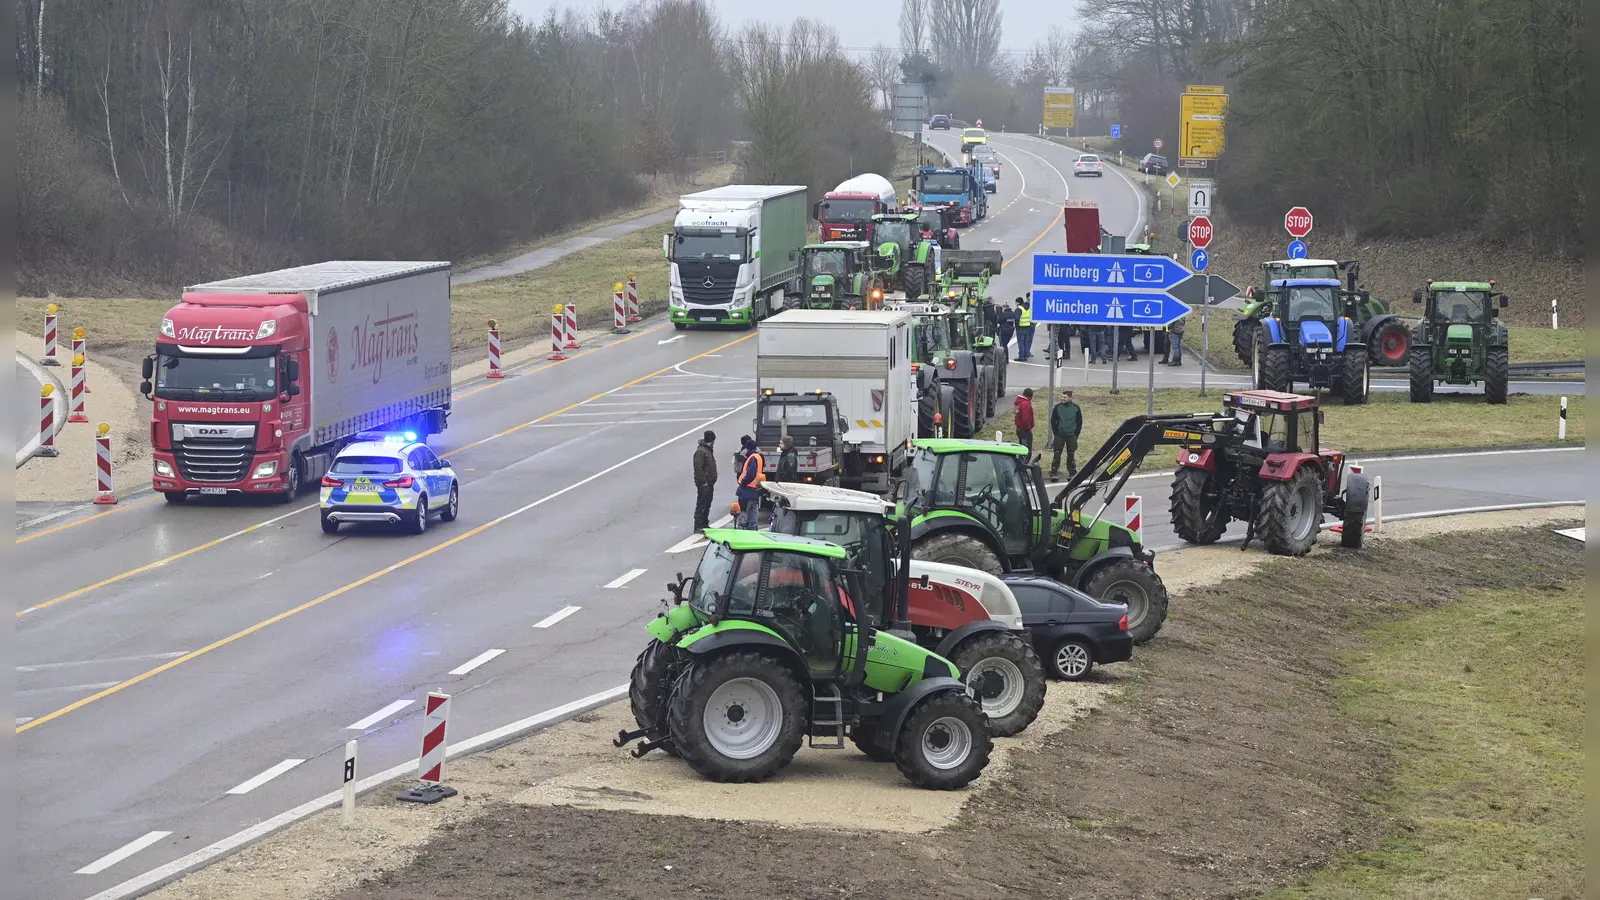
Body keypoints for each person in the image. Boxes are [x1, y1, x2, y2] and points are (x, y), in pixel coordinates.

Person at [1049, 390, 1083, 479]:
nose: (1062, 399)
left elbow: (1079, 422)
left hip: (1071, 435)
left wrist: (1076, 434)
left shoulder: (1076, 408)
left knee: (1071, 454)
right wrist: (1056, 432)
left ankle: (1072, 473)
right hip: (1059, 435)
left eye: (1065, 397)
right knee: (1057, 454)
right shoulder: (1057, 407)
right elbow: (1053, 421)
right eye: (1062, 397)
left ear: (1070, 398)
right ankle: (1054, 473)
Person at [735, 436, 765, 528]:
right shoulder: (758, 456)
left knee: (743, 509)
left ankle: (742, 527)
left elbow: (751, 474)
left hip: (747, 488)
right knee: (753, 509)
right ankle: (753, 527)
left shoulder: (752, 458)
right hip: (755, 487)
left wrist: (743, 482)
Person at [692, 430, 717, 532]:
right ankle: (698, 525)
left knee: (707, 504)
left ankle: (704, 523)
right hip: (704, 484)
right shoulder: (701, 452)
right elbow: (698, 468)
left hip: (709, 483)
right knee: (702, 504)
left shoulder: (707, 450)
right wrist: (703, 482)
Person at [1012, 388, 1036, 452]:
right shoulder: (1026, 404)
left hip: (1019, 428)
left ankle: (1021, 460)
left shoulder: (1019, 402)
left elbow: (1016, 412)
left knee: (1022, 447)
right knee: (1026, 450)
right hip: (1024, 430)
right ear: (1030, 397)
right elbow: (1025, 419)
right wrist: (1027, 428)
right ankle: (1024, 461)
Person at [1015, 294, 1036, 360]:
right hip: (1027, 326)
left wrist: (1016, 326)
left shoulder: (1019, 309)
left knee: (1021, 342)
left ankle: (1021, 356)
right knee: (1026, 342)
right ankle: (1026, 354)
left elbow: (1017, 319)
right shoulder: (1028, 308)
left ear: (1018, 302)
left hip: (1021, 327)